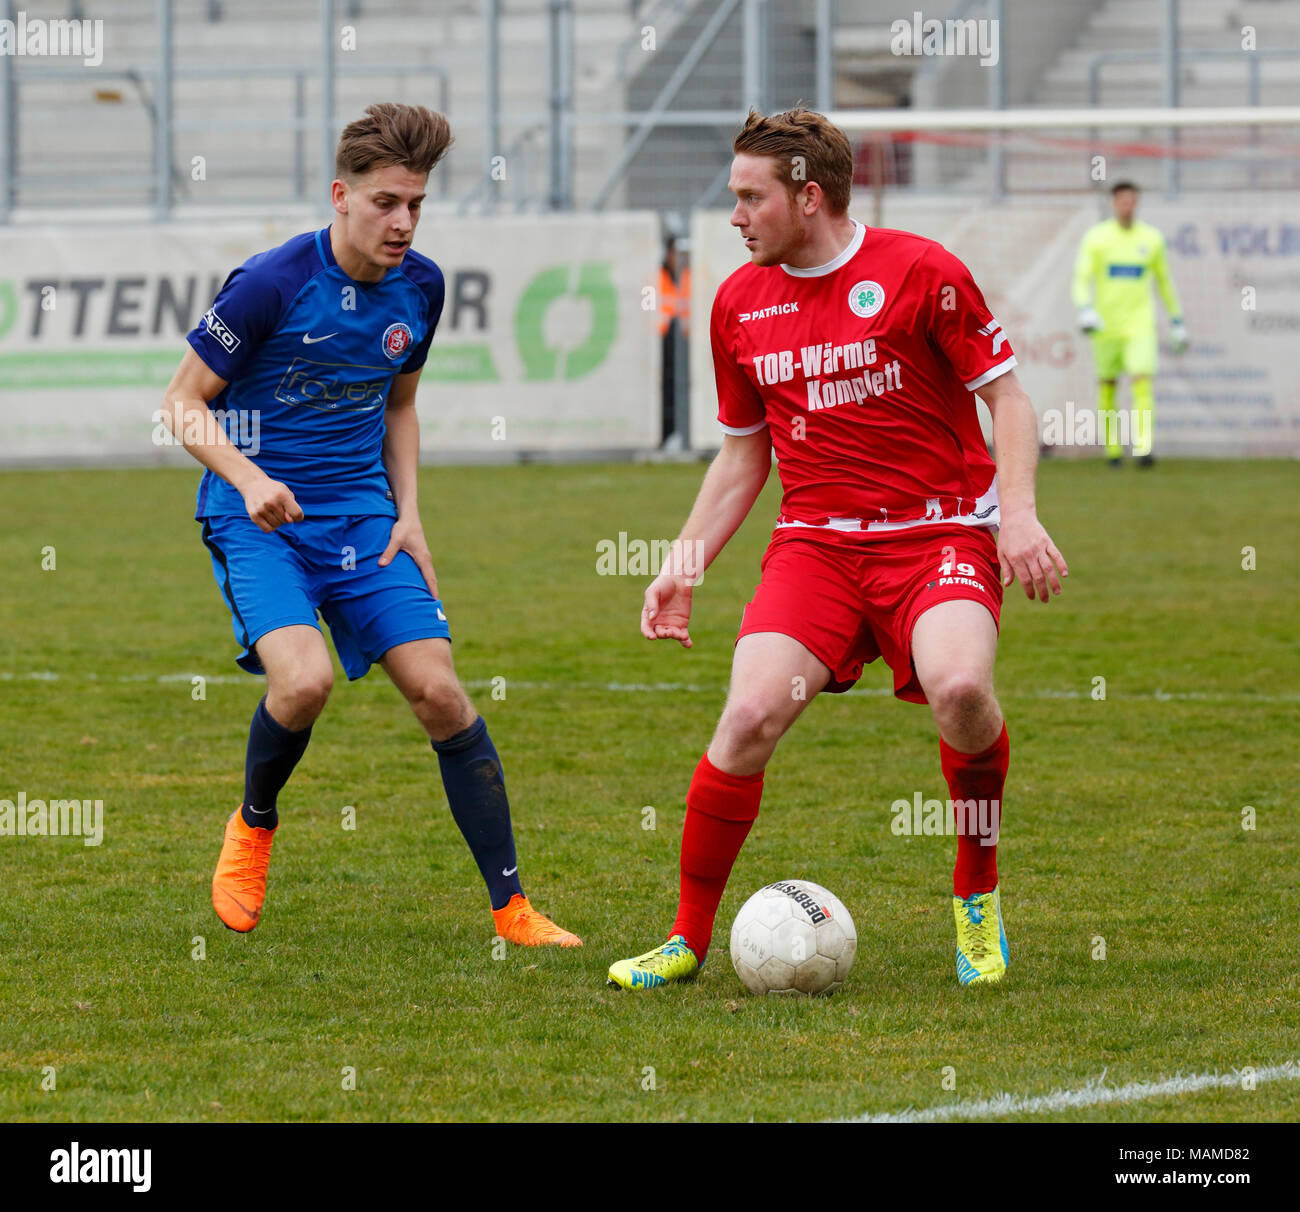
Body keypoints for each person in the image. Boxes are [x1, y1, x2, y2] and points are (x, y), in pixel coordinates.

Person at [607, 108, 1067, 991]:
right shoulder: (739, 303)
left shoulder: (920, 272)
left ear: (808, 196)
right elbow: (746, 452)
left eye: (750, 197)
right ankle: (687, 940)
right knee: (746, 721)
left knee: (962, 690)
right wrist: (682, 562)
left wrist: (1017, 513)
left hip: (936, 537)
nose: (734, 215)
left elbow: (1007, 399)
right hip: (816, 548)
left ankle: (977, 901)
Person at [161, 103, 580, 947]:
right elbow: (180, 403)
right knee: (303, 682)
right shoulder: (273, 282)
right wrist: (248, 480)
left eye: (416, 205)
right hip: (262, 523)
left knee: (441, 693)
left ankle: (513, 908)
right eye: (387, 202)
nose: (403, 222)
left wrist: (412, 514)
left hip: (364, 519)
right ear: (340, 196)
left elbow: (402, 406)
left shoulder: (423, 286)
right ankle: (253, 825)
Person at [1072, 181, 1186, 467]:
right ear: (1113, 203)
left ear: (1137, 203)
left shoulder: (1151, 238)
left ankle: (1143, 447)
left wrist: (1177, 320)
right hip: (1106, 326)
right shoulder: (1097, 238)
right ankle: (1113, 451)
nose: (1128, 205)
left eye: (1132, 200)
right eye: (1122, 200)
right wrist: (1085, 308)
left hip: (1140, 325)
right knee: (1108, 386)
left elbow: (1164, 282)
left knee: (1141, 381)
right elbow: (1082, 278)